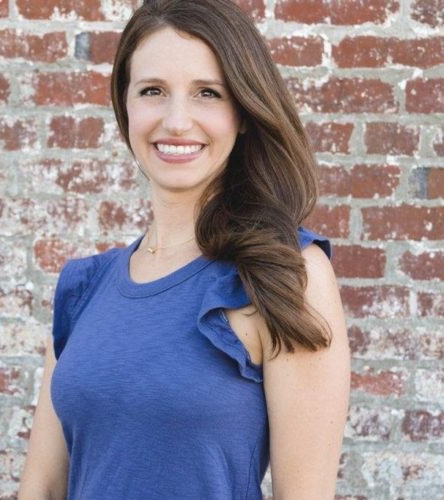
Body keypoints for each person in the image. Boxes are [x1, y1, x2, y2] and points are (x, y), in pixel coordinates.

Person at [18, 0, 351, 498]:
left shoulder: (285, 275)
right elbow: (41, 488)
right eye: (152, 91)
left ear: (242, 112)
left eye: (207, 94)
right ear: (125, 106)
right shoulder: (83, 288)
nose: (176, 121)